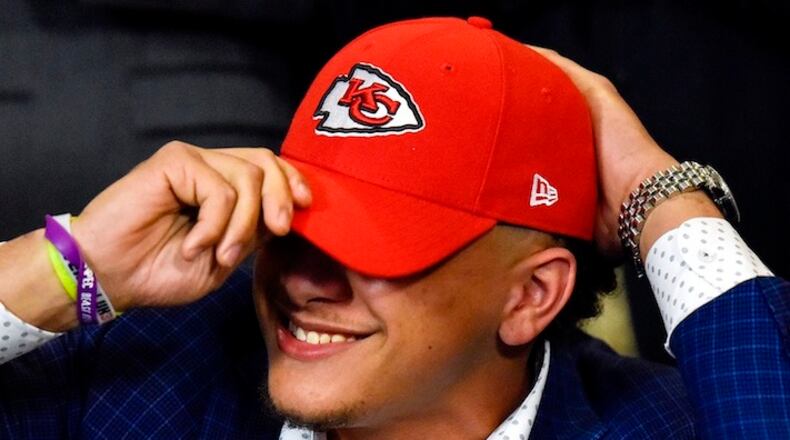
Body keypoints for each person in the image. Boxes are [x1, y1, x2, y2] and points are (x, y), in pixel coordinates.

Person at [1, 16, 787, 439]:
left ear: (532, 296)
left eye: (375, 244)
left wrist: (661, 194)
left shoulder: (672, 423)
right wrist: (70, 263)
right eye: (295, 221)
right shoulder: (154, 374)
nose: (304, 280)